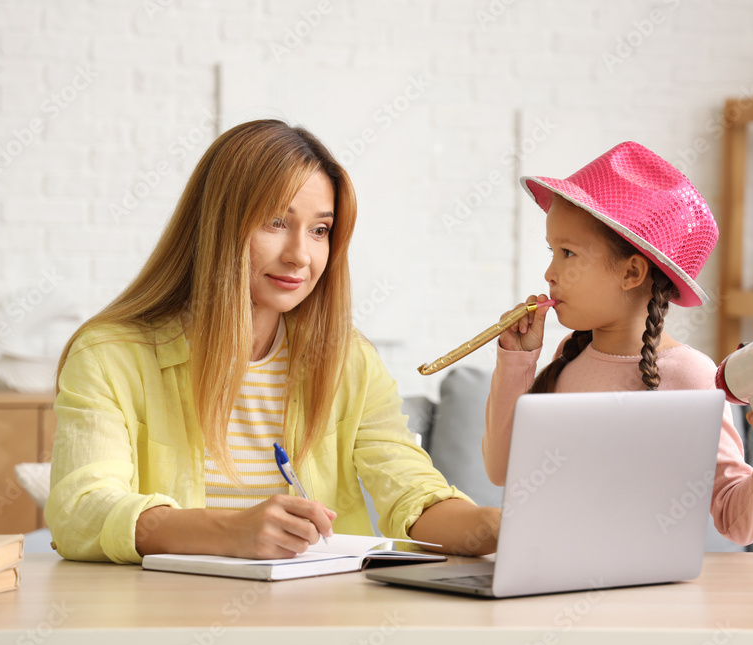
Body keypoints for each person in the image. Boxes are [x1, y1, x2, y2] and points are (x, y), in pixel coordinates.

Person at [46, 120, 499, 564]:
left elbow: (413, 495)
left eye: (320, 230)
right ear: (217, 225)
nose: (300, 254)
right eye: (277, 222)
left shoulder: (349, 361)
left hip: (315, 615)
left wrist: (497, 527)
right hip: (170, 616)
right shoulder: (109, 356)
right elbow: (80, 512)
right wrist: (229, 531)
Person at [481, 141, 753, 546]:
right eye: (552, 251)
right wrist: (516, 362)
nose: (550, 272)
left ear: (632, 272)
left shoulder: (693, 375)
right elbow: (502, 470)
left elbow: (735, 521)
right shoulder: (569, 355)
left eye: (568, 253)